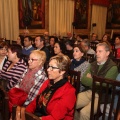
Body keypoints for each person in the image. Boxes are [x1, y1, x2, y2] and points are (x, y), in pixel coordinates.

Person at [74, 42, 118, 120]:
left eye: (100, 51)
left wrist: (92, 79)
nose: (97, 54)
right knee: (70, 103)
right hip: (89, 91)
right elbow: (83, 80)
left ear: (107, 53)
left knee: (84, 113)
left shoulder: (113, 67)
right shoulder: (93, 64)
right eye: (96, 51)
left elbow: (105, 85)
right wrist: (97, 81)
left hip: (101, 96)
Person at [25, 55, 76, 120]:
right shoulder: (47, 82)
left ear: (62, 71)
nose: (48, 69)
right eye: (49, 66)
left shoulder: (69, 91)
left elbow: (55, 117)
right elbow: (36, 101)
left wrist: (34, 119)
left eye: (52, 68)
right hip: (39, 116)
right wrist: (26, 113)